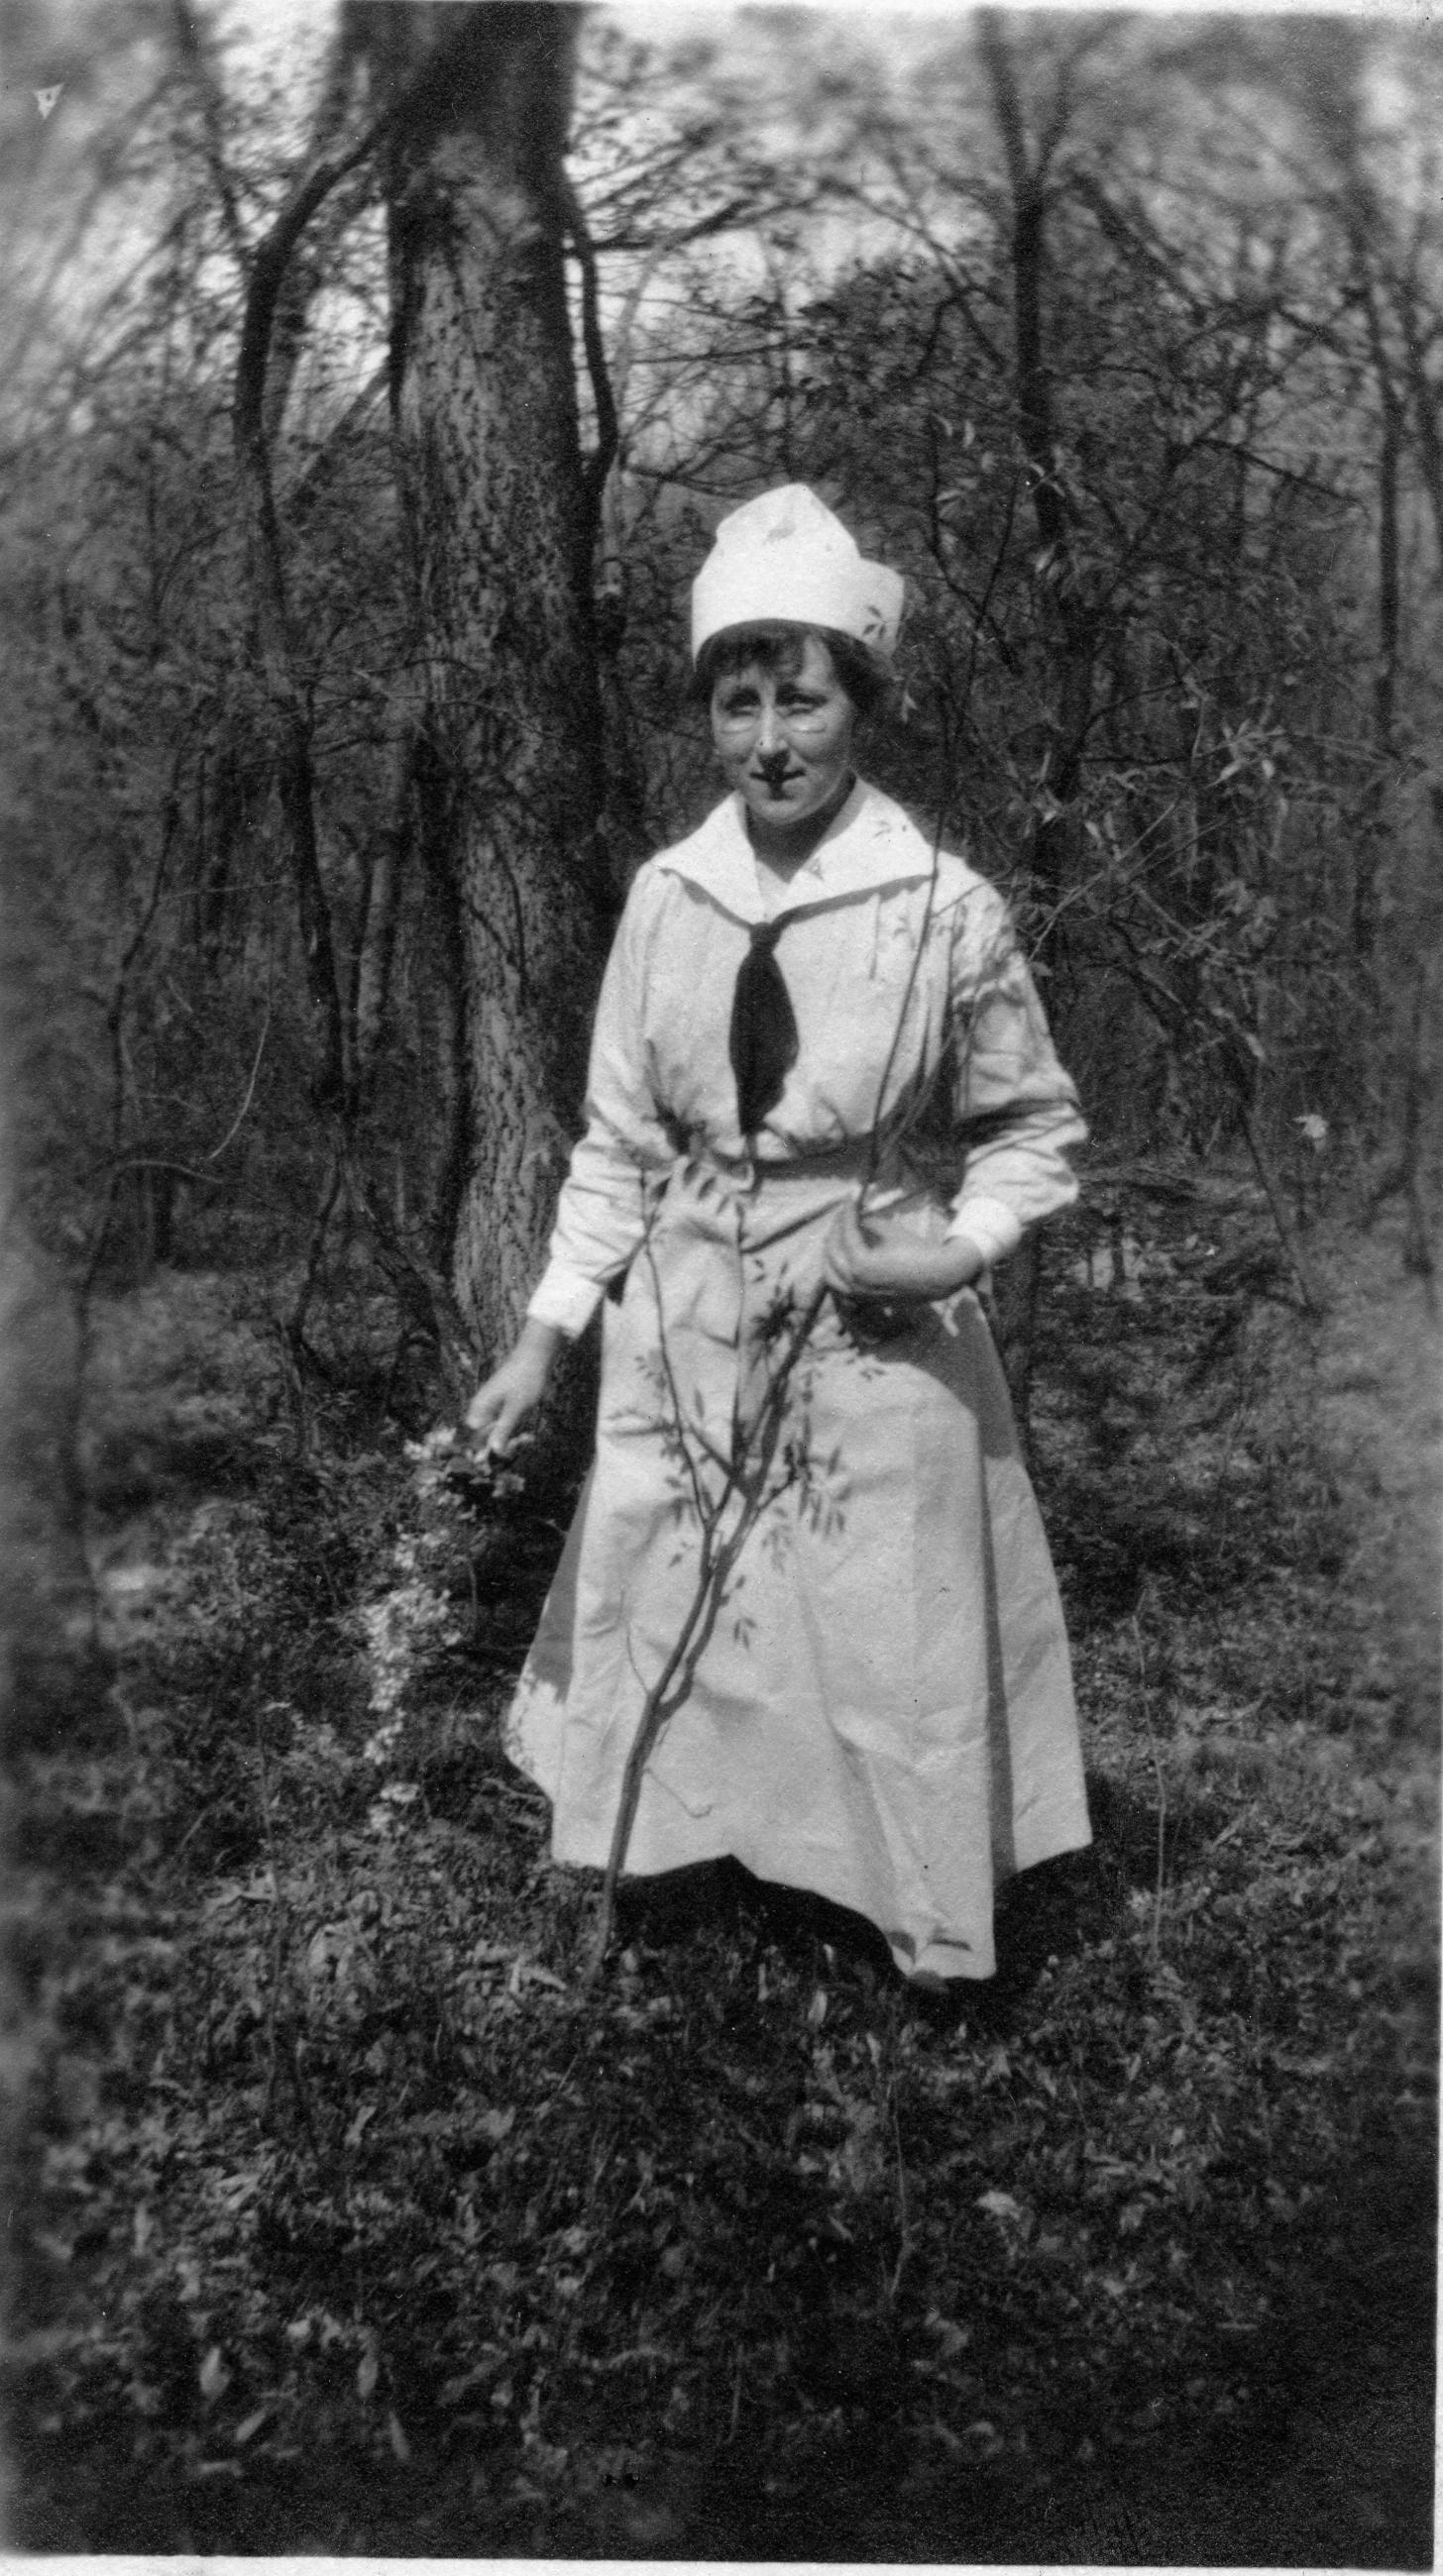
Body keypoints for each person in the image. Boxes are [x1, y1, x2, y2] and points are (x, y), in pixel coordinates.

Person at [467, 484, 1090, 1985]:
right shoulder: (667, 900)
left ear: (856, 705)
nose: (770, 742)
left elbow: (1034, 1129)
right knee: (677, 1596)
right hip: (682, 1316)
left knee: (879, 1628)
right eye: (737, 704)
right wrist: (546, 1336)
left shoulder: (944, 911)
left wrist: (956, 1251)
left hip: (871, 1307)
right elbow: (618, 1141)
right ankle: (679, 1893)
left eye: (800, 701)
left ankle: (912, 1932)